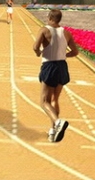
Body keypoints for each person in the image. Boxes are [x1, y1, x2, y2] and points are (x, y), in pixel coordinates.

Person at [33, 9, 79, 143]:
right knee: (55, 99)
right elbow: (75, 52)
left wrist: (38, 52)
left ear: (49, 17)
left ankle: (58, 122)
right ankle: (53, 131)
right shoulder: (66, 33)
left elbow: (35, 47)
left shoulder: (44, 30)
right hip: (62, 67)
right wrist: (64, 55)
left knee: (44, 101)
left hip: (49, 66)